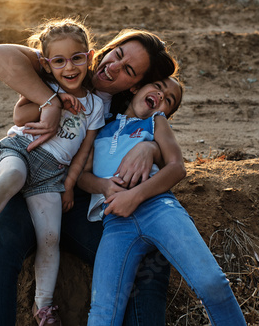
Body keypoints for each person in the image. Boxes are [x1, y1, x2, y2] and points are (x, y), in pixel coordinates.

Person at [0, 27, 178, 326]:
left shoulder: (127, 108)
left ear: (137, 85)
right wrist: (49, 101)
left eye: (128, 70)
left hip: (82, 199)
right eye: (116, 54)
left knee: (145, 261)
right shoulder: (66, 64)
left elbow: (161, 130)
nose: (113, 67)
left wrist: (151, 148)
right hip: (27, 173)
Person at [0, 18, 105, 325]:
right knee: (12, 177)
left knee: (51, 237)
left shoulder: (95, 105)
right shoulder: (46, 87)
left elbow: (84, 150)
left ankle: (43, 307)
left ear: (90, 57)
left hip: (52, 175)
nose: (69, 67)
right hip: (21, 151)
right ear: (46, 63)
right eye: (59, 61)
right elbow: (19, 114)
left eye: (77, 58)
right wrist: (53, 103)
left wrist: (69, 184)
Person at [83, 77, 247, 326]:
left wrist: (134, 196)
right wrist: (104, 186)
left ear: (166, 113)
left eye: (168, 100)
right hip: (115, 223)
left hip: (159, 209)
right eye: (157, 87)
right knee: (102, 313)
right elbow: (82, 176)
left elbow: (177, 168)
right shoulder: (100, 125)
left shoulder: (155, 122)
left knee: (211, 282)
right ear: (136, 87)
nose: (160, 95)